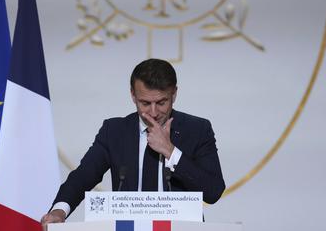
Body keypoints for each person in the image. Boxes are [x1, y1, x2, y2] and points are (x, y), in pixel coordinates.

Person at [41, 59, 225, 225]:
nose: (153, 112)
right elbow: (82, 177)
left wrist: (171, 151)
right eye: (145, 103)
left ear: (174, 94)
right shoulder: (113, 131)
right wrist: (59, 211)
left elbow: (213, 191)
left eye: (161, 102)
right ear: (133, 95)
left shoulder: (198, 129)